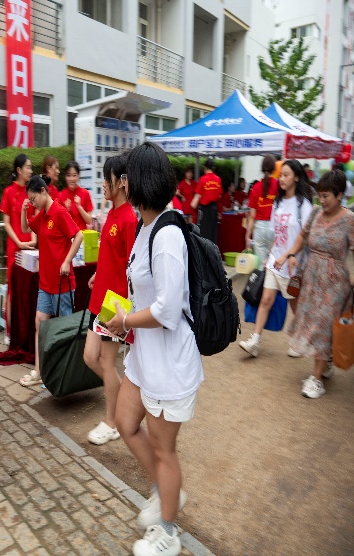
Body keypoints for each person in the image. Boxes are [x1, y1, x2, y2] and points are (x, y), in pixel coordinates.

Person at [106, 142, 203, 556]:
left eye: (125, 176)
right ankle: (167, 492)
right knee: (125, 422)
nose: (121, 183)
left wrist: (125, 321)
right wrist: (119, 314)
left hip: (169, 364)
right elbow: (142, 292)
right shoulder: (146, 227)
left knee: (165, 451)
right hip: (145, 357)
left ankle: (168, 531)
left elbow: (166, 310)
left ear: (136, 181)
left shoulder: (166, 236)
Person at [285, 170, 354, 398]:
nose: (321, 201)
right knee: (311, 322)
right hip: (312, 277)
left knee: (323, 326)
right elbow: (302, 236)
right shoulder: (315, 212)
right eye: (320, 196)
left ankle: (316, 379)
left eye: (326, 196)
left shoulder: (349, 219)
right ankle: (326, 363)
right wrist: (292, 254)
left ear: (340, 195)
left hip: (335, 282)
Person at [83, 156, 137, 445]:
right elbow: (112, 257)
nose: (104, 183)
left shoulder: (128, 218)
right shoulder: (113, 214)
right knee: (90, 358)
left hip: (114, 303)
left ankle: (112, 422)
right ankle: (122, 397)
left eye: (108, 178)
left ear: (122, 182)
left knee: (105, 362)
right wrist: (98, 274)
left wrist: (125, 312)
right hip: (99, 296)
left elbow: (132, 267)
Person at [239, 159, 313, 358]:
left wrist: (290, 256)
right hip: (275, 262)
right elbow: (276, 235)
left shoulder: (303, 205)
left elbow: (305, 236)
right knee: (265, 300)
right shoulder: (278, 202)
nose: (282, 179)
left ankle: (301, 341)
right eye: (281, 175)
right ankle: (255, 341)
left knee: (295, 306)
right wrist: (270, 256)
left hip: (293, 266)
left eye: (286, 175)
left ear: (296, 177)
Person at [19, 175, 83, 387]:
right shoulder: (43, 215)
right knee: (40, 322)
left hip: (62, 283)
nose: (33, 202)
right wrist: (24, 210)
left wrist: (67, 261)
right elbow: (26, 229)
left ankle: (66, 374)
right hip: (45, 284)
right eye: (30, 200)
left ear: (43, 191)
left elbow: (78, 236)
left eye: (34, 198)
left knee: (65, 330)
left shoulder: (59, 212)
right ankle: (39, 371)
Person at [0, 154, 36, 338]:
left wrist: (33, 241)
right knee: (13, 289)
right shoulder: (8, 192)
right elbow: (6, 223)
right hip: (15, 248)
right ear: (19, 170)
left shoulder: (31, 192)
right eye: (28, 167)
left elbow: (34, 219)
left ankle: (24, 332)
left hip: (30, 248)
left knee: (28, 290)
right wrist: (19, 242)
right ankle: (10, 332)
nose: (30, 170)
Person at [245, 154, 278, 266]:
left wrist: (247, 235)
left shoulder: (255, 187)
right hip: (274, 227)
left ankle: (261, 278)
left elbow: (252, 215)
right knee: (273, 262)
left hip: (259, 228)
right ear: (274, 168)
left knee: (260, 264)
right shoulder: (278, 186)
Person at [191, 158, 222, 243]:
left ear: (205, 167)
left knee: (203, 233)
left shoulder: (202, 179)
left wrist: (193, 205)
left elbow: (196, 198)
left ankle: (204, 250)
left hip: (204, 210)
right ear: (213, 168)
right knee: (213, 233)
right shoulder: (218, 179)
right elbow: (219, 195)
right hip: (214, 210)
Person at [58, 160, 93, 229]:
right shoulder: (60, 195)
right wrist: (66, 210)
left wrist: (79, 207)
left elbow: (89, 221)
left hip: (82, 233)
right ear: (65, 177)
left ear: (78, 176)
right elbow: (58, 222)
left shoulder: (85, 193)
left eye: (74, 175)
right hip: (67, 234)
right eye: (68, 175)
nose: (71, 179)